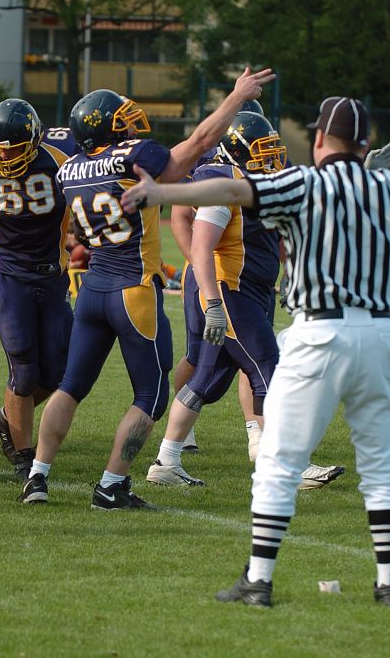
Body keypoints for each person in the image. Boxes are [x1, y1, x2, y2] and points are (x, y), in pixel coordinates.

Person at [120, 95, 390, 606]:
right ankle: (389, 583)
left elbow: (228, 188)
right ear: (368, 143)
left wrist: (160, 191)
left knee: (281, 461)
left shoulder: (301, 182)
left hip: (318, 336)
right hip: (378, 336)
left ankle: (259, 579)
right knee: (380, 469)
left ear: (320, 141)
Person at [21, 68, 275, 509]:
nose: (131, 126)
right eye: (121, 120)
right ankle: (112, 484)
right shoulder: (131, 156)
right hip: (133, 288)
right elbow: (197, 144)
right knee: (151, 396)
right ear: (107, 128)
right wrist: (236, 98)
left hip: (93, 289)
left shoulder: (70, 171)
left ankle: (37, 476)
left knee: (71, 386)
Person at [146, 111, 343, 490]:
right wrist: (213, 302)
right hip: (232, 292)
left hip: (251, 290)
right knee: (271, 371)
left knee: (208, 379)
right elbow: (202, 246)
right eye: (262, 151)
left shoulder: (262, 184)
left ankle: (166, 462)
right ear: (238, 151)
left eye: (274, 150)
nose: (272, 160)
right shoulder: (224, 184)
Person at [0, 98, 77, 479]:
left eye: (15, 148)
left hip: (52, 274)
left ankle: (6, 416)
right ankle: (25, 457)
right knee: (23, 368)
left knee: (60, 372)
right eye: (0, 148)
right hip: (8, 273)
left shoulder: (60, 160)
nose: (6, 157)